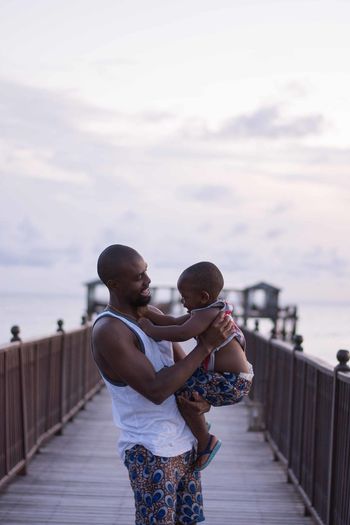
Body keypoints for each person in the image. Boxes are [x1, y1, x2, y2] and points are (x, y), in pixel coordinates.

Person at [91, 244, 236, 525]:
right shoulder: (109, 330)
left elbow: (185, 372)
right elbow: (156, 390)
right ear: (114, 284)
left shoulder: (149, 314)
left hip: (184, 444)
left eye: (146, 272)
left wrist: (203, 400)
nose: (147, 281)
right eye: (138, 277)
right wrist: (205, 345)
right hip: (150, 451)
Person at [138, 261, 254, 471]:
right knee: (182, 386)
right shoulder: (208, 310)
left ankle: (205, 439)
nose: (182, 301)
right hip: (229, 378)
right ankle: (197, 420)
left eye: (185, 297)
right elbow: (174, 321)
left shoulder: (207, 314)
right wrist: (148, 313)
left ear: (203, 297)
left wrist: (151, 331)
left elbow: (183, 333)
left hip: (230, 381)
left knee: (178, 386)